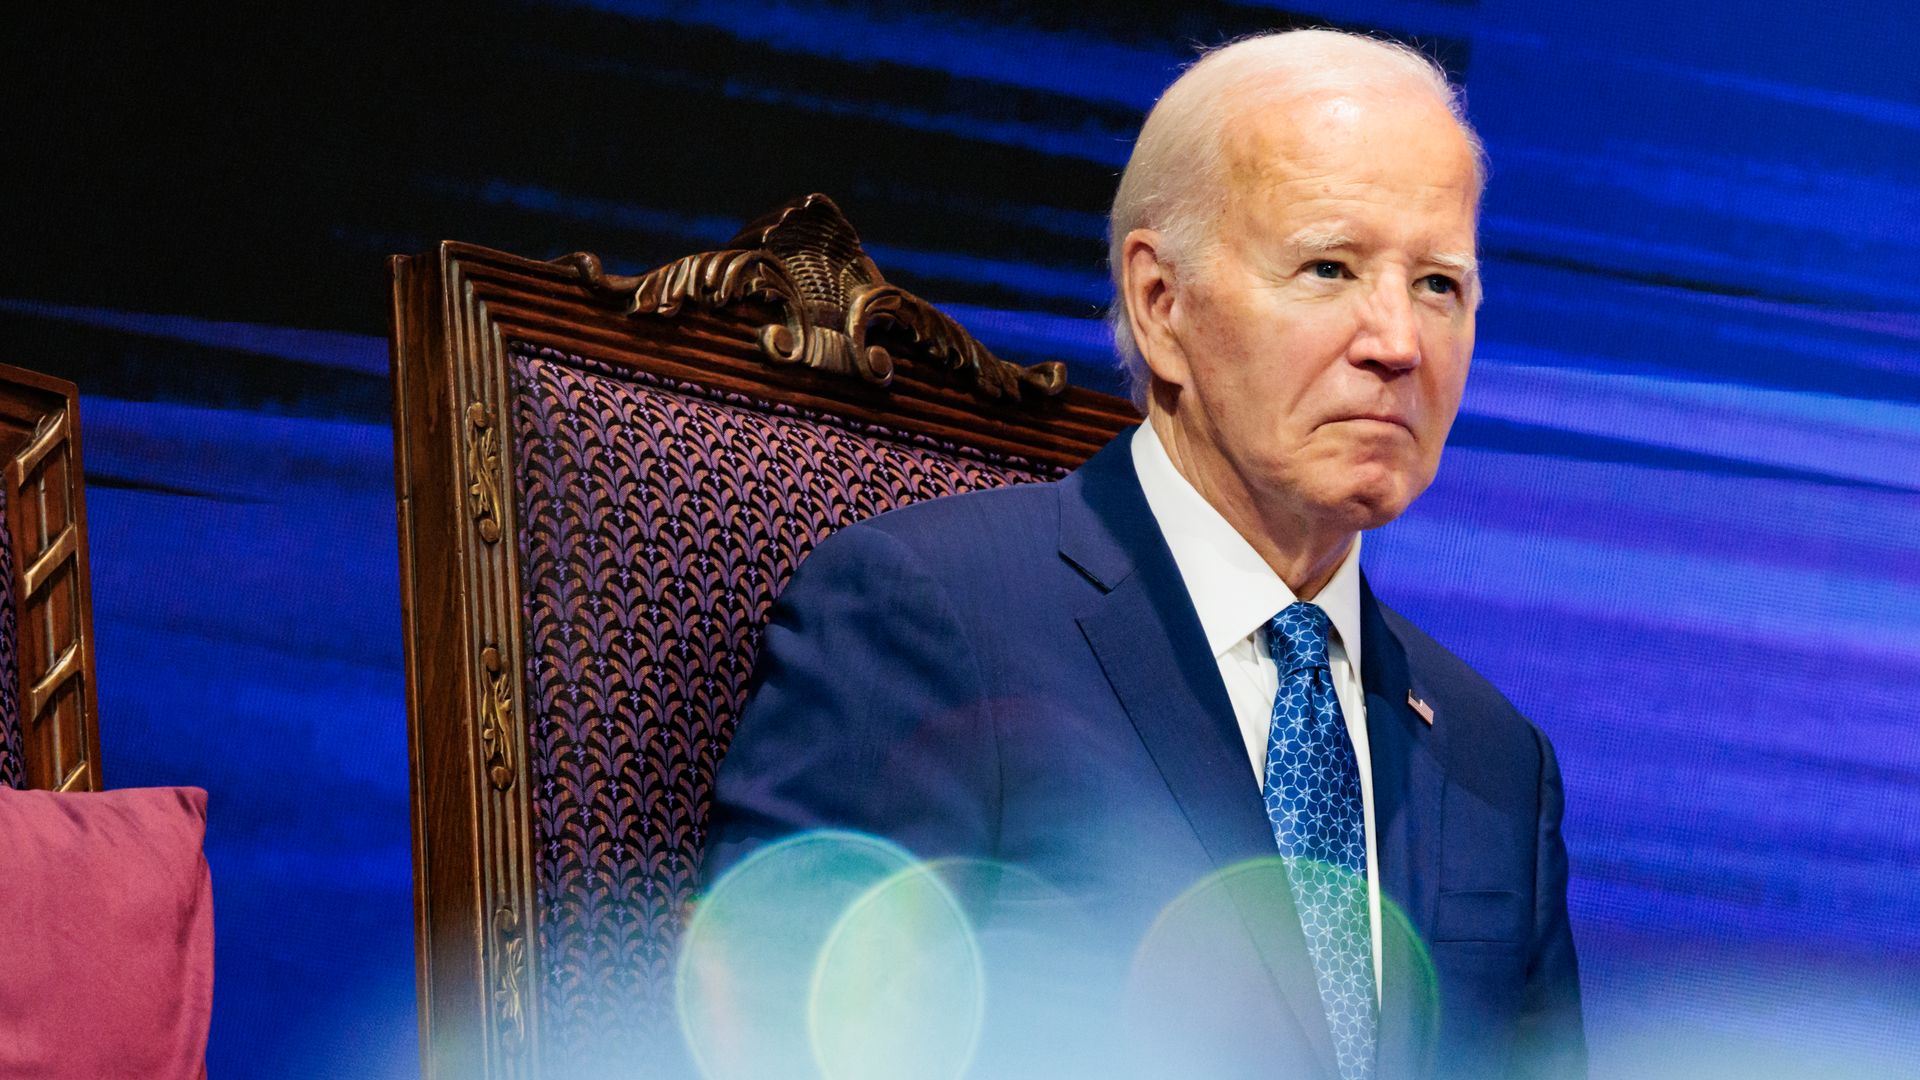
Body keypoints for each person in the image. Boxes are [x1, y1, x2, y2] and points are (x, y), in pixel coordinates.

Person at [704, 28, 1585, 1080]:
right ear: (1162, 305)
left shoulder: (1497, 759)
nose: (1398, 341)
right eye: (1329, 266)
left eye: (1439, 284)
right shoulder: (928, 617)